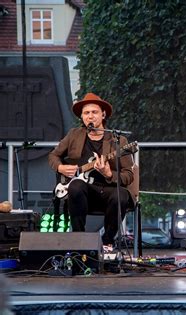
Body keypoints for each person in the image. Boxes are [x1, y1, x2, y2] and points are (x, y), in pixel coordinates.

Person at [49, 93, 134, 248]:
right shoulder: (74, 134)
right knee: (75, 185)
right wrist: (60, 167)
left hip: (108, 192)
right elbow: (53, 156)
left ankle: (107, 241)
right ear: (82, 117)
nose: (90, 116)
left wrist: (109, 174)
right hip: (83, 192)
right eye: (86, 113)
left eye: (94, 112)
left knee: (121, 195)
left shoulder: (118, 141)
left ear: (103, 115)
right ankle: (79, 241)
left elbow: (129, 175)